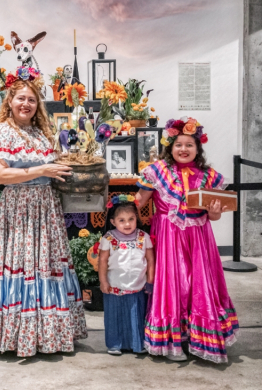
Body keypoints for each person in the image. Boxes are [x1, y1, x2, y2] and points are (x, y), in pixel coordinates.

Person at [0, 71, 87, 357]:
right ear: (9, 100)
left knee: (44, 266)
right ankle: (15, 337)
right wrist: (41, 170)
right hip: (20, 206)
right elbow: (1, 175)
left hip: (46, 207)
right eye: (21, 98)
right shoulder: (0, 131)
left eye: (32, 100)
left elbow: (52, 166)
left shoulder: (41, 133)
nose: (26, 104)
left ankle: (46, 335)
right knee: (21, 265)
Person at [136, 118, 237, 363]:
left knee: (197, 286)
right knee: (172, 286)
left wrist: (214, 210)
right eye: (178, 144)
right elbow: (140, 200)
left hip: (199, 239)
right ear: (170, 148)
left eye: (189, 145)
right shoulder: (157, 171)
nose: (183, 149)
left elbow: (212, 216)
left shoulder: (209, 177)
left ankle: (198, 338)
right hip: (168, 237)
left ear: (197, 148)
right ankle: (172, 342)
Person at [98, 195, 154, 355]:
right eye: (121, 220)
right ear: (113, 221)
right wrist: (103, 282)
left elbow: (150, 260)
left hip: (138, 286)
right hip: (114, 285)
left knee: (136, 316)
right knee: (114, 316)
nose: (127, 224)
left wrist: (150, 281)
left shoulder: (144, 237)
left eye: (131, 219)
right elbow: (102, 262)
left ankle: (138, 344)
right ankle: (115, 344)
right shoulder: (108, 238)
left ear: (137, 218)